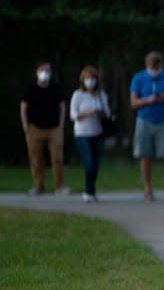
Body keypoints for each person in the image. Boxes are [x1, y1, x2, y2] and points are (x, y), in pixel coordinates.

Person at [130, 51, 164, 201]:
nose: (155, 69)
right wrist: (148, 100)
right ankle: (148, 188)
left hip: (163, 120)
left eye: (157, 66)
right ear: (147, 65)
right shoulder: (139, 78)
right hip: (144, 119)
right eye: (152, 66)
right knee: (145, 155)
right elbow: (134, 102)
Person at [21, 62, 68, 195]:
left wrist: (61, 124)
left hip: (54, 128)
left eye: (47, 70)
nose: (45, 73)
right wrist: (25, 125)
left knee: (57, 157)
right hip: (34, 128)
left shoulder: (55, 88)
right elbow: (24, 107)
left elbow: (62, 106)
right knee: (36, 158)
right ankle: (38, 185)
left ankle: (59, 186)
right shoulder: (30, 89)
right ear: (37, 72)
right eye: (42, 70)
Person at [69, 66, 110, 202]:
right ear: (83, 80)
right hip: (82, 133)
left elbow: (108, 113)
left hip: (97, 132)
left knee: (96, 163)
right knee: (89, 161)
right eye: (87, 79)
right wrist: (87, 112)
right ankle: (88, 191)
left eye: (92, 78)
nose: (90, 81)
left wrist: (100, 113)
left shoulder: (101, 95)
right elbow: (73, 114)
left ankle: (91, 190)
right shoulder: (78, 95)